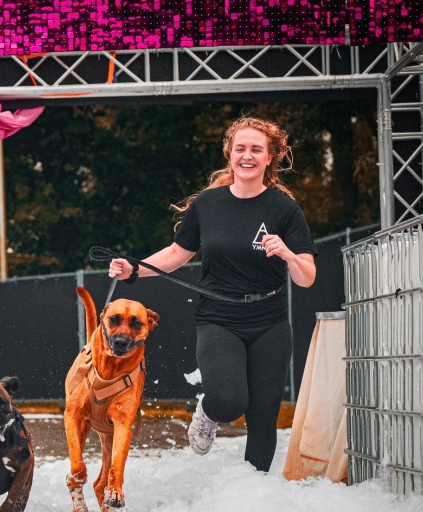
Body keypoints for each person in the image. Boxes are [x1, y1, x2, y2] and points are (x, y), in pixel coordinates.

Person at [108, 116, 316, 473]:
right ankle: (207, 412)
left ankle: (256, 495)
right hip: (218, 319)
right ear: (229, 154)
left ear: (269, 158)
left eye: (256, 149)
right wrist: (133, 269)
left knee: (264, 419)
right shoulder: (208, 204)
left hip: (270, 322)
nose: (247, 156)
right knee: (229, 400)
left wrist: (288, 254)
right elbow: (176, 254)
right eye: (240, 149)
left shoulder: (284, 209)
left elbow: (307, 277)